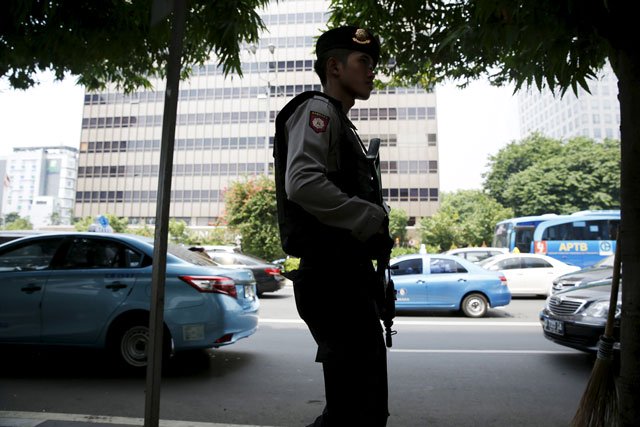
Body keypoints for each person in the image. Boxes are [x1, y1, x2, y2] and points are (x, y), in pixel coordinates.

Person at [273, 25, 393, 426]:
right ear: (334, 67)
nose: (372, 70)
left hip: (345, 277)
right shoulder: (319, 111)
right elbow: (302, 182)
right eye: (364, 62)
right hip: (333, 278)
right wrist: (370, 216)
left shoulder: (341, 122)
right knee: (358, 411)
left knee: (355, 408)